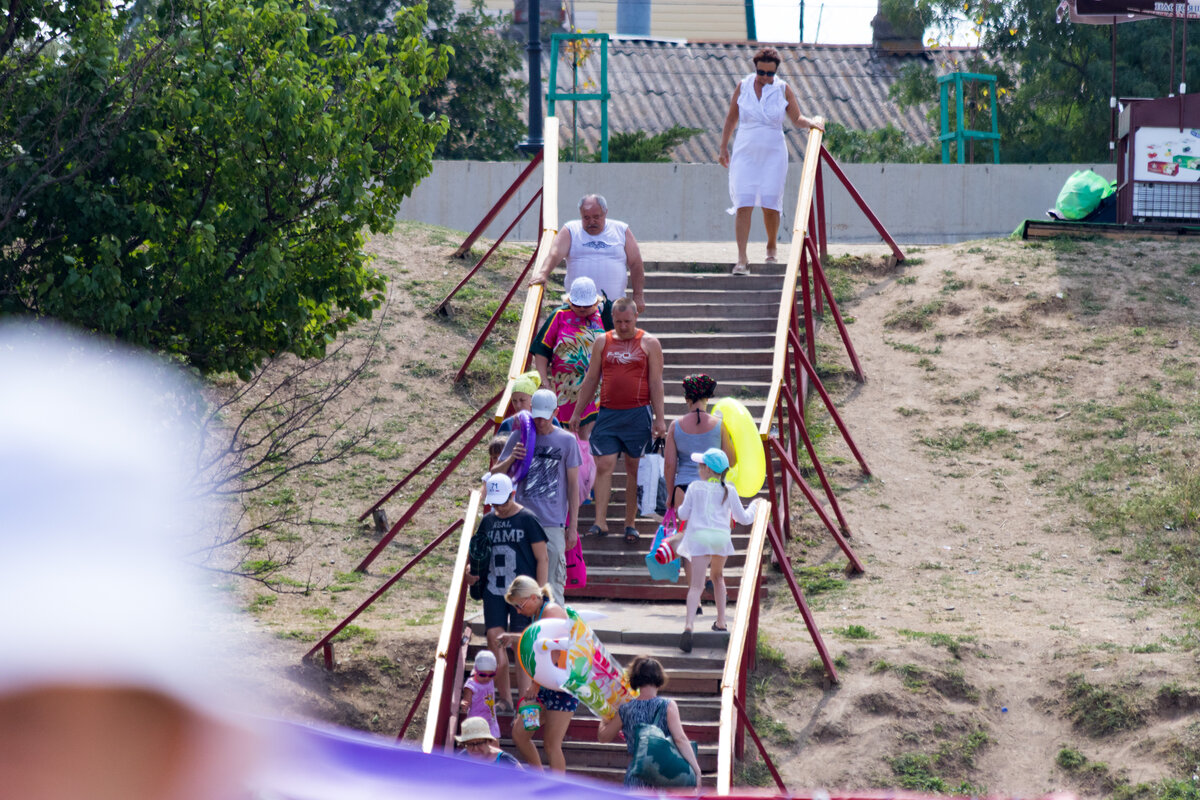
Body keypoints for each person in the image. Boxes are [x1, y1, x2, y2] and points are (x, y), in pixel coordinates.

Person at [718, 47, 825, 275]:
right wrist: (723, 148)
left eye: (770, 73)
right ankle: (742, 258)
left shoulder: (783, 89)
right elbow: (731, 118)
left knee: (770, 204)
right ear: (755, 68)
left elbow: (796, 118)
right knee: (743, 203)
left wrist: (812, 123)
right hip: (745, 151)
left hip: (773, 153)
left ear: (776, 72)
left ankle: (771, 243)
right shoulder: (743, 86)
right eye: (761, 72)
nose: (765, 77)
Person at [569, 297, 667, 544]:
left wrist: (660, 419)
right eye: (618, 321)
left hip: (638, 413)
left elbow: (656, 382)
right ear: (612, 319)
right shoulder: (603, 341)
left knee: (634, 468)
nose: (623, 326)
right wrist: (577, 411)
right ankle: (600, 522)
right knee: (604, 464)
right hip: (609, 413)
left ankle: (630, 523)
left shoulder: (649, 343)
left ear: (636, 317)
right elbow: (591, 379)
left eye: (627, 321)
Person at [661, 448, 760, 652]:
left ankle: (689, 626)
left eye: (700, 465)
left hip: (699, 539)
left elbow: (683, 515)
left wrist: (678, 509)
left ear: (707, 469)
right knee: (718, 577)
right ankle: (721, 622)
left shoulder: (695, 487)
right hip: (719, 539)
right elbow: (744, 519)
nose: (698, 468)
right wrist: (756, 505)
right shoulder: (729, 490)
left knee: (696, 586)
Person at [465, 472, 549, 712]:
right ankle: (505, 698)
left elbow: (542, 557)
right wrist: (470, 570)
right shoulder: (488, 521)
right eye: (495, 502)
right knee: (494, 638)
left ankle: (524, 700)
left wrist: (539, 592)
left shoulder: (528, 519)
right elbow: (477, 552)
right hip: (494, 589)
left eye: (503, 501)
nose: (499, 507)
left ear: (513, 494)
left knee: (522, 645)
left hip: (522, 594)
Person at [492, 388, 581, 605]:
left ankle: (555, 634)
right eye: (536, 415)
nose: (540, 421)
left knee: (552, 589)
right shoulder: (518, 437)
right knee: (523, 588)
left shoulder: (567, 441)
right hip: (523, 520)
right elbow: (495, 475)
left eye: (545, 415)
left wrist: (573, 527)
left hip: (553, 522)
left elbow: (573, 487)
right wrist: (512, 457)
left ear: (556, 412)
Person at [663, 373, 735, 616]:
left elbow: (670, 465)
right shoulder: (718, 424)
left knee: (689, 542)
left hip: (683, 488)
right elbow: (730, 459)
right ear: (707, 397)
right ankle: (714, 580)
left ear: (686, 397)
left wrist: (669, 494)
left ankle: (696, 596)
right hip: (714, 489)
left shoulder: (675, 425)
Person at [529, 194, 646, 326]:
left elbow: (636, 263)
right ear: (580, 215)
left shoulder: (621, 230)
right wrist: (543, 273)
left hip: (613, 308)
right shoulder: (571, 229)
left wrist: (638, 295)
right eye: (586, 218)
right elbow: (555, 253)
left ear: (605, 212)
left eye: (596, 217)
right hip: (578, 308)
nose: (591, 222)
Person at [500, 576, 578, 772]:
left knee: (552, 744)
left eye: (519, 605)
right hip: (545, 685)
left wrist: (535, 683)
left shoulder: (551, 612)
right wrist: (514, 638)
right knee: (520, 732)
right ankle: (539, 777)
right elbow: (539, 641)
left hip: (562, 686)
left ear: (534, 597)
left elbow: (558, 649)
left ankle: (556, 791)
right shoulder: (538, 614)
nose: (518, 611)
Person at [597, 656, 702, 789]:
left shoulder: (625, 709)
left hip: (636, 777)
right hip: (663, 777)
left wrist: (604, 716)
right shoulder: (668, 706)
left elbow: (603, 737)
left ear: (636, 678)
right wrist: (696, 770)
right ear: (659, 678)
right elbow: (680, 739)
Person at [529, 277, 605, 437]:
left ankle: (587, 461)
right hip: (564, 389)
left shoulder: (603, 316)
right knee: (567, 434)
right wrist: (544, 381)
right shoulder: (559, 316)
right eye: (577, 305)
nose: (582, 309)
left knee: (587, 435)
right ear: (570, 300)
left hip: (596, 388)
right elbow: (541, 351)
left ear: (596, 301)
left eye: (587, 305)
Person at [459, 650, 500, 739]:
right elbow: (466, 699)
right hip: (477, 721)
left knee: (494, 742)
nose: (486, 678)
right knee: (478, 743)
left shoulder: (490, 680)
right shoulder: (471, 685)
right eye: (482, 675)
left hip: (491, 720)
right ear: (476, 671)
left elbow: (501, 666)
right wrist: (464, 703)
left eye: (491, 675)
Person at [456, 716, 522, 768]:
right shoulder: (462, 758)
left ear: (488, 741)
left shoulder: (505, 761)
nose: (475, 748)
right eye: (470, 744)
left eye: (479, 743)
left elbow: (525, 781)